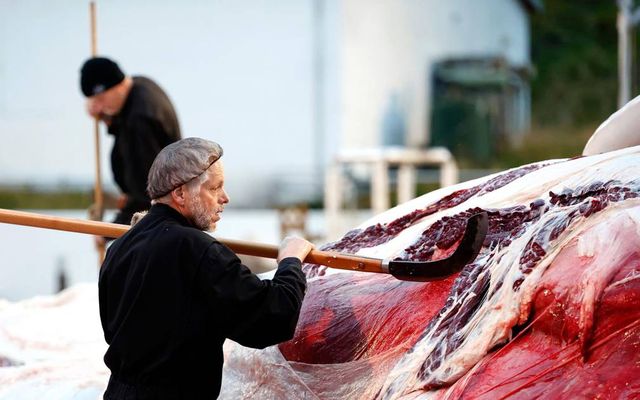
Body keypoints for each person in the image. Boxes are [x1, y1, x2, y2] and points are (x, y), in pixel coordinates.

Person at [98, 137, 314, 399]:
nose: (225, 198)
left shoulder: (120, 248)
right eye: (215, 188)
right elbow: (272, 318)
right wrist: (291, 261)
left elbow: (114, 330)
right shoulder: (198, 250)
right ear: (179, 194)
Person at [79, 56, 181, 243]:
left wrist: (105, 233)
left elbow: (147, 197)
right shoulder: (140, 86)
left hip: (159, 226)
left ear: (116, 86)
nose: (99, 107)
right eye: (94, 102)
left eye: (100, 99)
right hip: (164, 214)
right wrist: (105, 117)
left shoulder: (140, 121)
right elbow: (122, 127)